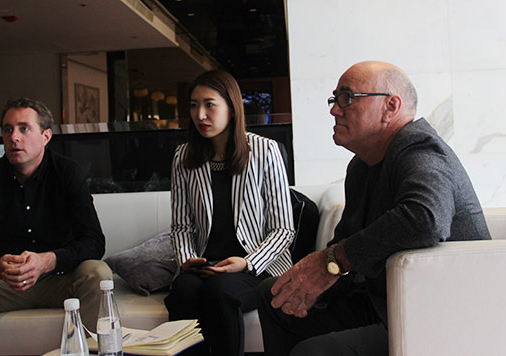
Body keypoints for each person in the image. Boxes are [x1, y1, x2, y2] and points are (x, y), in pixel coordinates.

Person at [257, 61, 492, 356]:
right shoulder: (361, 165)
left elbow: (425, 219)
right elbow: (345, 240)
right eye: (334, 99)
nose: (334, 109)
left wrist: (333, 261)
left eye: (347, 98)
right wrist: (311, 282)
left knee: (314, 352)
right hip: (382, 302)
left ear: (390, 106)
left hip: (438, 316)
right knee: (274, 295)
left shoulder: (419, 149)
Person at [0, 97, 112, 356]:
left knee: (97, 273)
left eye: (24, 128)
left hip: (59, 279)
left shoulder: (67, 173)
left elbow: (94, 241)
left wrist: (47, 261)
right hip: (5, 282)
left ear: (46, 136)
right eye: (8, 129)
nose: (14, 137)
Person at [165, 70, 295, 356]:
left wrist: (248, 262)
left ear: (232, 108)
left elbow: (283, 229)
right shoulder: (184, 157)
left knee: (221, 291)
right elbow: (181, 227)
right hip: (204, 265)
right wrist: (187, 259)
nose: (200, 114)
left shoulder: (265, 151)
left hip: (255, 267)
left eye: (209, 104)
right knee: (184, 291)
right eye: (194, 105)